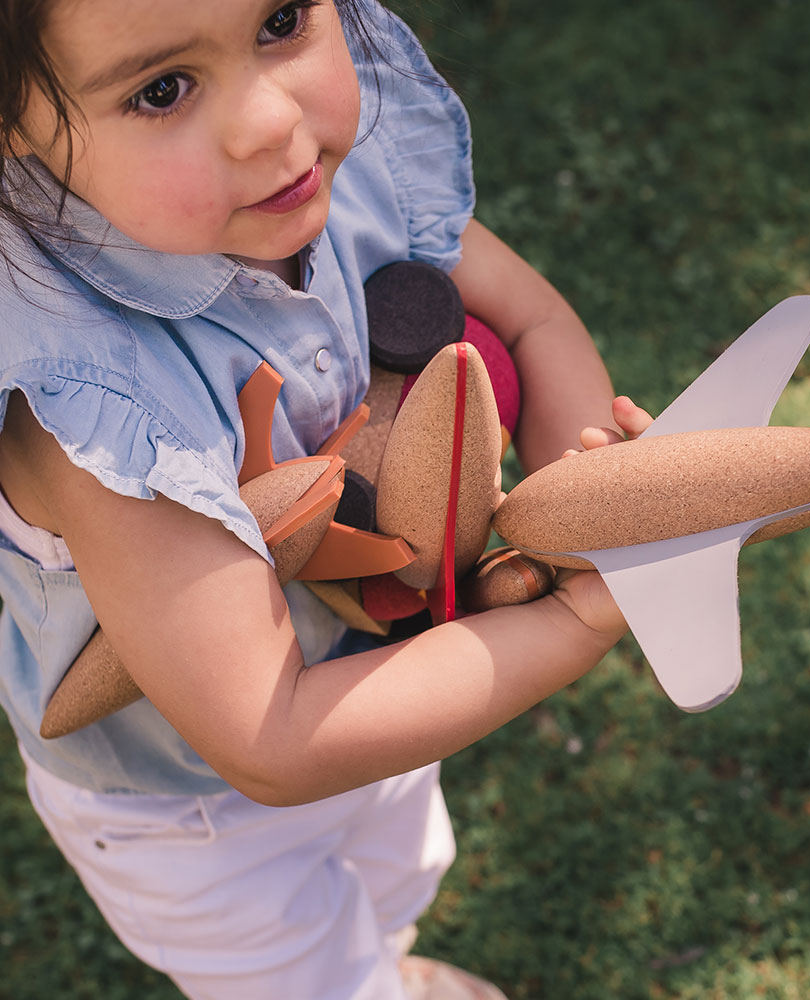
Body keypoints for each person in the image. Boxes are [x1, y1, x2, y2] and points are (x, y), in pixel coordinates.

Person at [0, 1, 651, 997]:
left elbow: (530, 319)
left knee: (400, 868)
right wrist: (572, 620)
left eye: (280, 22)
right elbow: (273, 739)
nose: (268, 120)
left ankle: (385, 959)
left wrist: (581, 505)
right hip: (201, 816)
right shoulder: (91, 400)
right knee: (305, 979)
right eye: (161, 88)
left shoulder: (338, 191)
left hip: (376, 678)